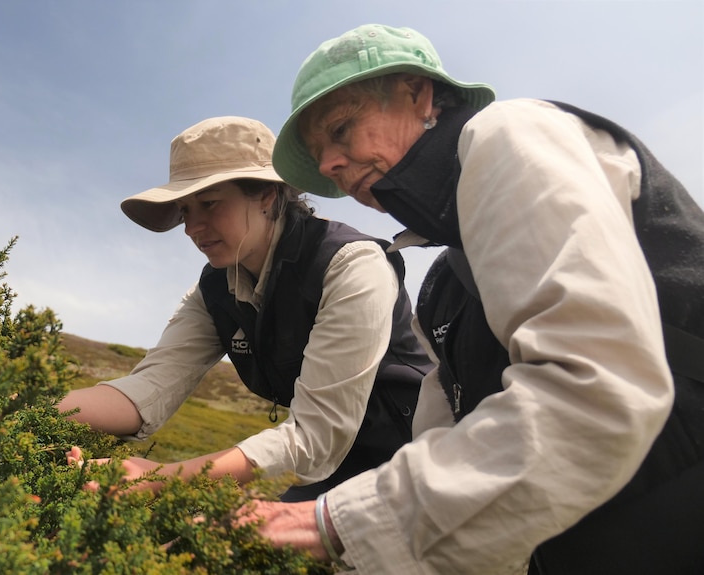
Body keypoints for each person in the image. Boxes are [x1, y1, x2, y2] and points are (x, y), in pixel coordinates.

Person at [246, 24, 704, 573]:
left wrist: (328, 523)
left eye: (342, 129)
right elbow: (447, 442)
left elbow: (597, 391)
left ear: (419, 95)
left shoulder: (509, 133)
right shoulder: (442, 287)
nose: (328, 168)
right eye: (320, 157)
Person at [58, 115, 432, 502]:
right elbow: (147, 392)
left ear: (268, 194)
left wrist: (161, 477)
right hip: (337, 468)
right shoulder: (213, 292)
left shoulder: (352, 264)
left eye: (209, 203)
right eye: (185, 210)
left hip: (420, 461)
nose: (192, 228)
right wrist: (25, 408)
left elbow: (317, 435)